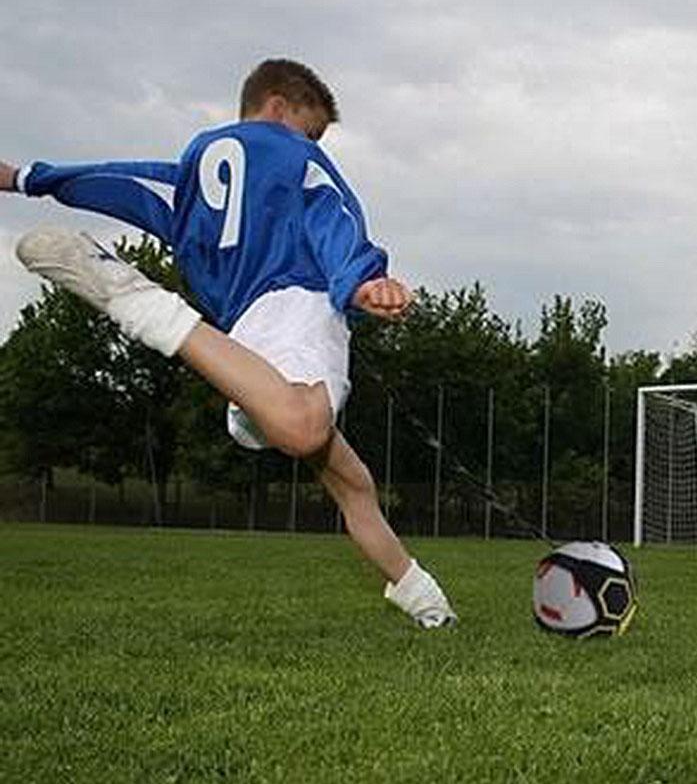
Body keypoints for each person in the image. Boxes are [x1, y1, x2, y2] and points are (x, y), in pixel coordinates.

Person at [0, 58, 456, 629]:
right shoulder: (296, 158)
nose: (312, 144)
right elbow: (331, 215)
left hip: (247, 340)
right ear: (278, 105)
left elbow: (118, 182)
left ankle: (423, 599)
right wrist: (363, 280)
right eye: (311, 131)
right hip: (300, 306)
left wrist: (23, 178)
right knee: (305, 426)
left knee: (351, 480)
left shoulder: (193, 172)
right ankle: (143, 305)